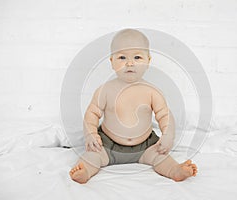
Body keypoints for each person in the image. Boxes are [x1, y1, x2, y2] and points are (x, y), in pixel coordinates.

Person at [69, 28, 197, 184]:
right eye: (122, 57)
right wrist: (90, 134)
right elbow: (92, 114)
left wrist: (168, 136)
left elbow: (165, 116)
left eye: (137, 57)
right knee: (92, 155)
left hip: (145, 146)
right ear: (112, 62)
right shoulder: (105, 90)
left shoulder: (152, 91)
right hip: (108, 145)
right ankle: (84, 172)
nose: (129, 63)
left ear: (148, 61)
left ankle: (175, 171)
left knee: (160, 156)